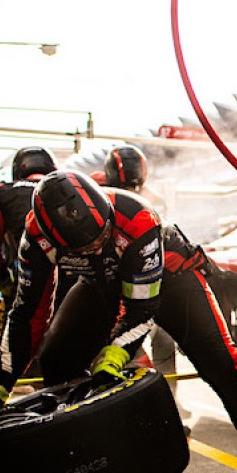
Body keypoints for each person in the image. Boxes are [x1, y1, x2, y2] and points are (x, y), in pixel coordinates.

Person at [0, 170, 237, 473]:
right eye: (86, 245)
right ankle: (83, 464)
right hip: (101, 283)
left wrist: (115, 354)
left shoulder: (138, 216)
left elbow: (142, 308)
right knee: (57, 361)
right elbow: (28, 314)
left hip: (174, 280)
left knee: (224, 365)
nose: (97, 244)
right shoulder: (36, 237)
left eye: (101, 236)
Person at [92, 143, 181, 387]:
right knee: (121, 337)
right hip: (109, 278)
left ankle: (168, 393)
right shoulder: (94, 189)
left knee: (163, 334)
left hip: (143, 275)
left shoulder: (155, 200)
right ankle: (134, 390)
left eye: (134, 187)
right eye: (124, 187)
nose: (129, 192)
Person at [0, 146, 55, 345]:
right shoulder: (70, 189)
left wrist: (1, 279)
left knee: (8, 347)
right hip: (72, 283)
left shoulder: (0, 193)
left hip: (24, 283)